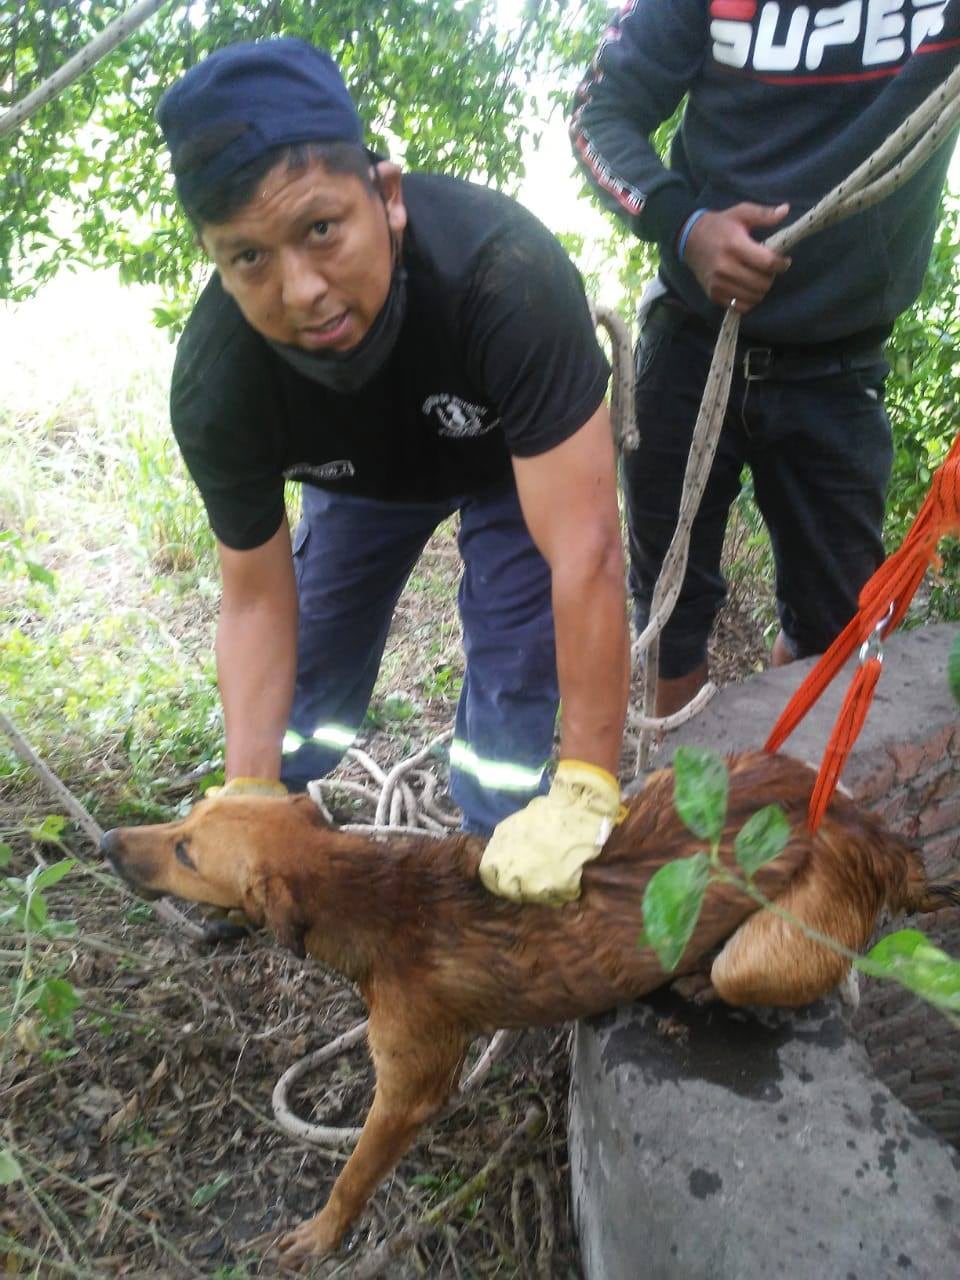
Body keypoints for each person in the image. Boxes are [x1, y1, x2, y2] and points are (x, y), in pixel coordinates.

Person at [156, 37, 631, 908]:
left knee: (516, 670)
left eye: (321, 229)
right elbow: (257, 599)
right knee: (314, 666)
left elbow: (586, 553)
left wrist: (589, 785)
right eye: (249, 257)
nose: (300, 290)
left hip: (509, 467)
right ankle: (272, 839)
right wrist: (248, 796)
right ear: (216, 260)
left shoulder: (506, 279)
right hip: (359, 482)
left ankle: (506, 844)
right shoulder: (219, 384)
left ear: (389, 196)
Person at [570, 0, 960, 715]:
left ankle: (786, 794)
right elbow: (597, 115)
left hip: (840, 370)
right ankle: (677, 793)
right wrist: (685, 227)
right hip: (690, 345)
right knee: (668, 619)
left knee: (833, 631)